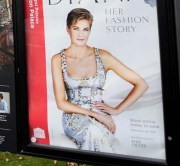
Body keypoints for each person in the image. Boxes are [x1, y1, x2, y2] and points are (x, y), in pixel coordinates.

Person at [51, 8, 148, 153]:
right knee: (92, 132)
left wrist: (116, 110)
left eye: (86, 29)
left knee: (96, 132)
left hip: (102, 119)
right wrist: (95, 115)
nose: (81, 34)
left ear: (90, 30)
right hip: (73, 119)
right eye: (76, 28)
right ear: (68, 29)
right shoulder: (58, 59)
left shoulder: (103, 56)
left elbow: (141, 84)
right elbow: (61, 103)